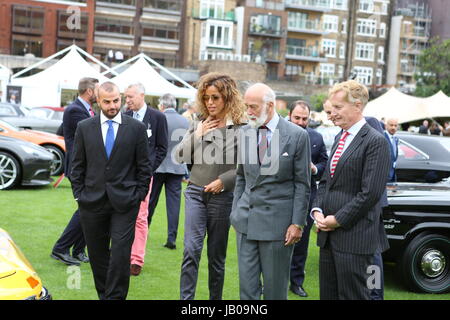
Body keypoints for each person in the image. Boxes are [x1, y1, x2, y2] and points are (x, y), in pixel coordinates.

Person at [70, 81, 152, 300]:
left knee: (119, 255)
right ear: (98, 100)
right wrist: (79, 194)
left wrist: (139, 195)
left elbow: (145, 166)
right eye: (107, 101)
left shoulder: (136, 128)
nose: (113, 105)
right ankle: (104, 296)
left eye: (116, 100)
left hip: (125, 203)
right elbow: (76, 165)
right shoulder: (84, 127)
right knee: (97, 256)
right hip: (91, 202)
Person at [231, 83, 311, 300]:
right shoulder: (245, 131)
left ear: (270, 105)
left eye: (253, 107)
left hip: (279, 227)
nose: (248, 111)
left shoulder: (297, 135)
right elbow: (241, 176)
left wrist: (297, 223)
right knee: (247, 291)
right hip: (245, 222)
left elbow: (302, 184)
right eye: (246, 106)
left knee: (275, 291)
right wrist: (236, 210)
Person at [311, 80, 390, 300]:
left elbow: (370, 193)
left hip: (355, 239)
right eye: (331, 108)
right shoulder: (340, 137)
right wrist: (317, 211)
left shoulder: (375, 141)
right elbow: (326, 181)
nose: (331, 114)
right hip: (329, 237)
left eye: (337, 108)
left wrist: (337, 219)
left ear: (357, 106)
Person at [175, 72, 246, 300]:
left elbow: (249, 168)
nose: (210, 103)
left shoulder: (243, 127)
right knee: (191, 251)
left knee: (217, 258)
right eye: (206, 98)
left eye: (215, 97)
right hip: (195, 192)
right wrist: (197, 134)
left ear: (227, 97)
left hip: (223, 198)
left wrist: (224, 181)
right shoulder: (198, 122)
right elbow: (179, 156)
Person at [51, 77, 99, 266]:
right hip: (80, 169)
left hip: (86, 167)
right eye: (97, 89)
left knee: (90, 211)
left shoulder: (84, 110)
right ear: (89, 91)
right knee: (86, 210)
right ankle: (61, 248)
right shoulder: (74, 110)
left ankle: (78, 250)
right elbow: (89, 137)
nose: (99, 92)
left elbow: (62, 131)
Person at [124, 83, 168, 276]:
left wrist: (148, 170)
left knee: (141, 217)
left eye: (130, 97)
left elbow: (162, 148)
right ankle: (121, 253)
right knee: (121, 213)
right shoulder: (124, 116)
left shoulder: (158, 117)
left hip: (143, 176)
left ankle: (136, 260)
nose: (127, 101)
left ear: (142, 95)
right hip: (123, 176)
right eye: (126, 97)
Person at [288, 100, 328, 298]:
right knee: (275, 240)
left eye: (305, 118)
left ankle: (296, 283)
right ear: (289, 116)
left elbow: (325, 165)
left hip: (306, 195)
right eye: (297, 118)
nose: (301, 122)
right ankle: (268, 280)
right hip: (282, 196)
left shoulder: (317, 137)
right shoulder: (278, 135)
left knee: (301, 242)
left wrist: (315, 169)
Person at [148, 93, 189, 250]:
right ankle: (171, 238)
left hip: (157, 166)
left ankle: (144, 231)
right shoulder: (185, 121)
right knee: (174, 205)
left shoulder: (157, 118)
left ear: (162, 105)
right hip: (177, 167)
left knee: (150, 202)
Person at [384, 118, 399, 183]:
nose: (393, 127)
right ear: (386, 126)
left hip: (393, 174)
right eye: (391, 125)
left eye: (395, 126)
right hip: (384, 175)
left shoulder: (395, 139)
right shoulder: (381, 137)